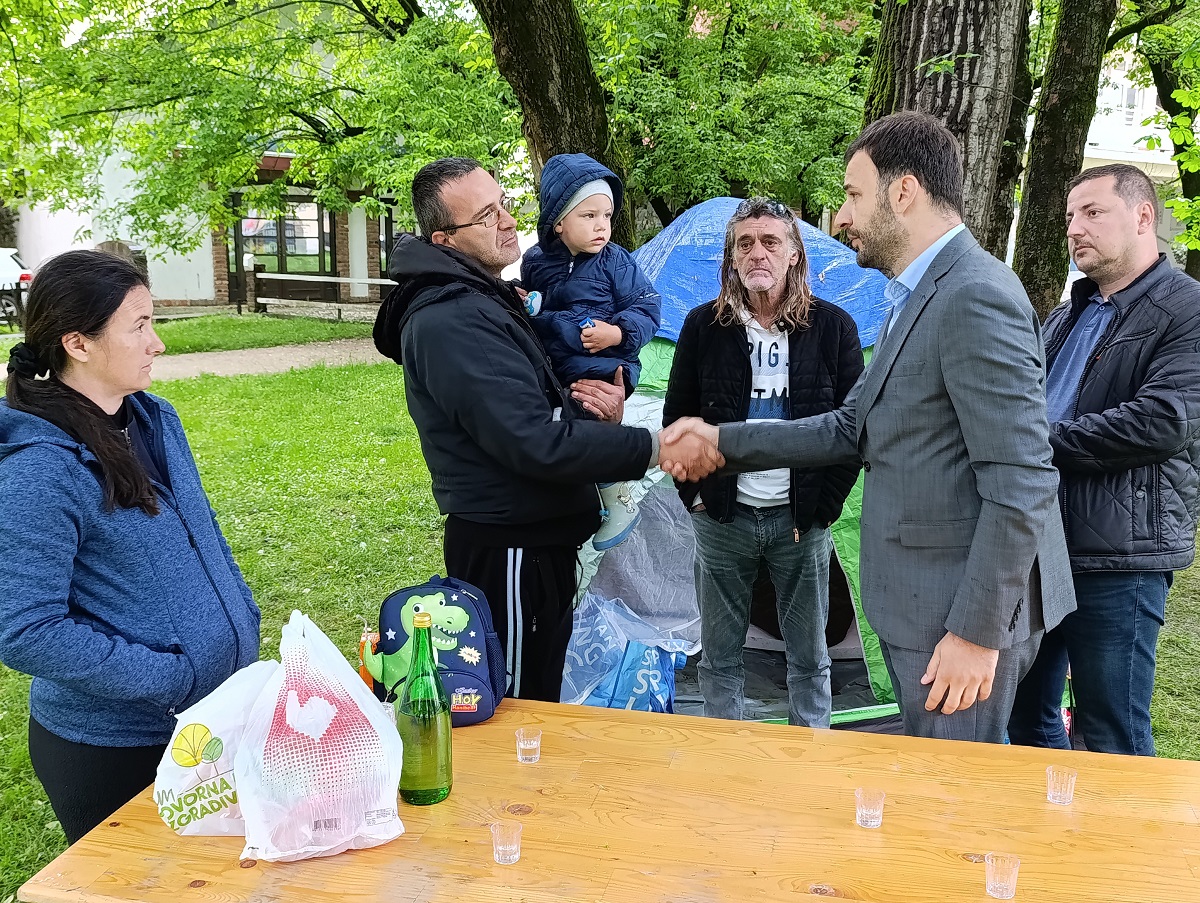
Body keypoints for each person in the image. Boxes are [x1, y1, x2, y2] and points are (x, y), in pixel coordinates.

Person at [662, 112, 1076, 743]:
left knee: (947, 791)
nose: (842, 218)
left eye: (854, 195)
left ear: (903, 192)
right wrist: (720, 441)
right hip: (923, 607)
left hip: (955, 620)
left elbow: (1022, 478)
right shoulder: (917, 294)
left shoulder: (974, 294)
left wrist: (975, 632)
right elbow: (848, 427)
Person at [373, 157, 719, 704]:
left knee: (538, 697)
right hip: (512, 545)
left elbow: (538, 407)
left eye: (504, 205)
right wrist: (656, 446)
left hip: (538, 540)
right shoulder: (452, 319)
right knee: (514, 704)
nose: (508, 220)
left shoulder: (486, 299)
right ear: (444, 239)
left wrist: (601, 409)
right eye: (486, 215)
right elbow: (532, 441)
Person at [0, 250, 261, 844]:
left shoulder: (155, 418)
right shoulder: (39, 472)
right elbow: (25, 629)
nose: (157, 344)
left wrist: (241, 617)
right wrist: (170, 677)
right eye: (139, 326)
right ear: (77, 343)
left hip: (206, 721)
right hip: (115, 748)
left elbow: (203, 532)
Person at [1008, 164, 1200, 756]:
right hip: (1040, 543)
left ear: (1143, 216)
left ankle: (1121, 824)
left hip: (1121, 556)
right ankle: (1053, 818)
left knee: (1112, 736)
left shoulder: (1187, 309)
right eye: (1070, 216)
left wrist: (1033, 442)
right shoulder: (1068, 313)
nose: (1074, 228)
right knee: (1025, 720)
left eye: (1093, 212)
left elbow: (1164, 421)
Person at [663, 197, 864, 728]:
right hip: (722, 519)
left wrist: (821, 509)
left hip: (799, 523)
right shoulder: (703, 326)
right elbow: (677, 421)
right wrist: (698, 499)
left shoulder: (834, 328)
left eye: (771, 242)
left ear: (794, 253)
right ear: (732, 257)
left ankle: (808, 755)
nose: (758, 253)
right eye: (745, 243)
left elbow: (853, 432)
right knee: (719, 658)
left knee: (810, 658)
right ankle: (725, 755)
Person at [521, 153, 662, 550]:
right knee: (546, 426)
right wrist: (529, 302)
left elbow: (648, 306)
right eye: (589, 216)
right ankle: (571, 501)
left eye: (607, 215)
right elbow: (537, 303)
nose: (602, 225)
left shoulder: (615, 261)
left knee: (588, 420)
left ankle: (618, 500)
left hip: (605, 364)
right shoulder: (536, 262)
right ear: (558, 222)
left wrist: (616, 333)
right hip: (559, 364)